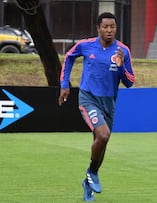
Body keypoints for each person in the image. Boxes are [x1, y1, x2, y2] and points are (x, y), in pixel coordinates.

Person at [58, 12, 135, 202]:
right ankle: (92, 172)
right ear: (98, 28)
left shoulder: (122, 51)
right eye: (106, 26)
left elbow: (130, 82)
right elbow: (68, 57)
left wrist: (122, 66)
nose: (109, 30)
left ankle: (88, 182)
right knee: (103, 135)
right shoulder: (86, 45)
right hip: (88, 98)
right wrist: (64, 84)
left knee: (102, 144)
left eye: (113, 27)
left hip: (109, 102)